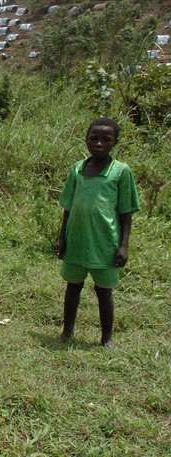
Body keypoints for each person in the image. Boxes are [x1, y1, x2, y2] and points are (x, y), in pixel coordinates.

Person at [54, 117, 139, 349]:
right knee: (73, 286)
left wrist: (124, 245)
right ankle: (67, 331)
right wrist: (62, 237)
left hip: (105, 243)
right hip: (76, 240)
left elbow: (126, 211)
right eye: (94, 138)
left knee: (104, 291)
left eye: (106, 140)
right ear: (86, 140)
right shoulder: (78, 169)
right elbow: (68, 206)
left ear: (115, 142)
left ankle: (106, 337)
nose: (99, 144)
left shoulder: (120, 171)